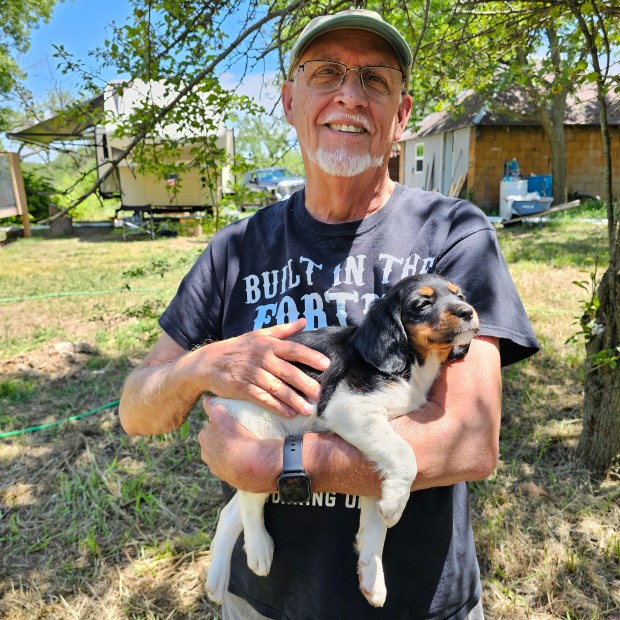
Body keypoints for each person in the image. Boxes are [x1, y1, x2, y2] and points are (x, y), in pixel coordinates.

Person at [119, 8, 539, 619]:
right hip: (262, 604)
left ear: (401, 114)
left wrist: (276, 464)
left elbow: (471, 442)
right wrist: (201, 367)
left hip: (418, 604)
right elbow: (135, 410)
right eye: (326, 73)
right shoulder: (234, 250)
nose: (350, 95)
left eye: (375, 79)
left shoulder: (453, 232)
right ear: (290, 102)